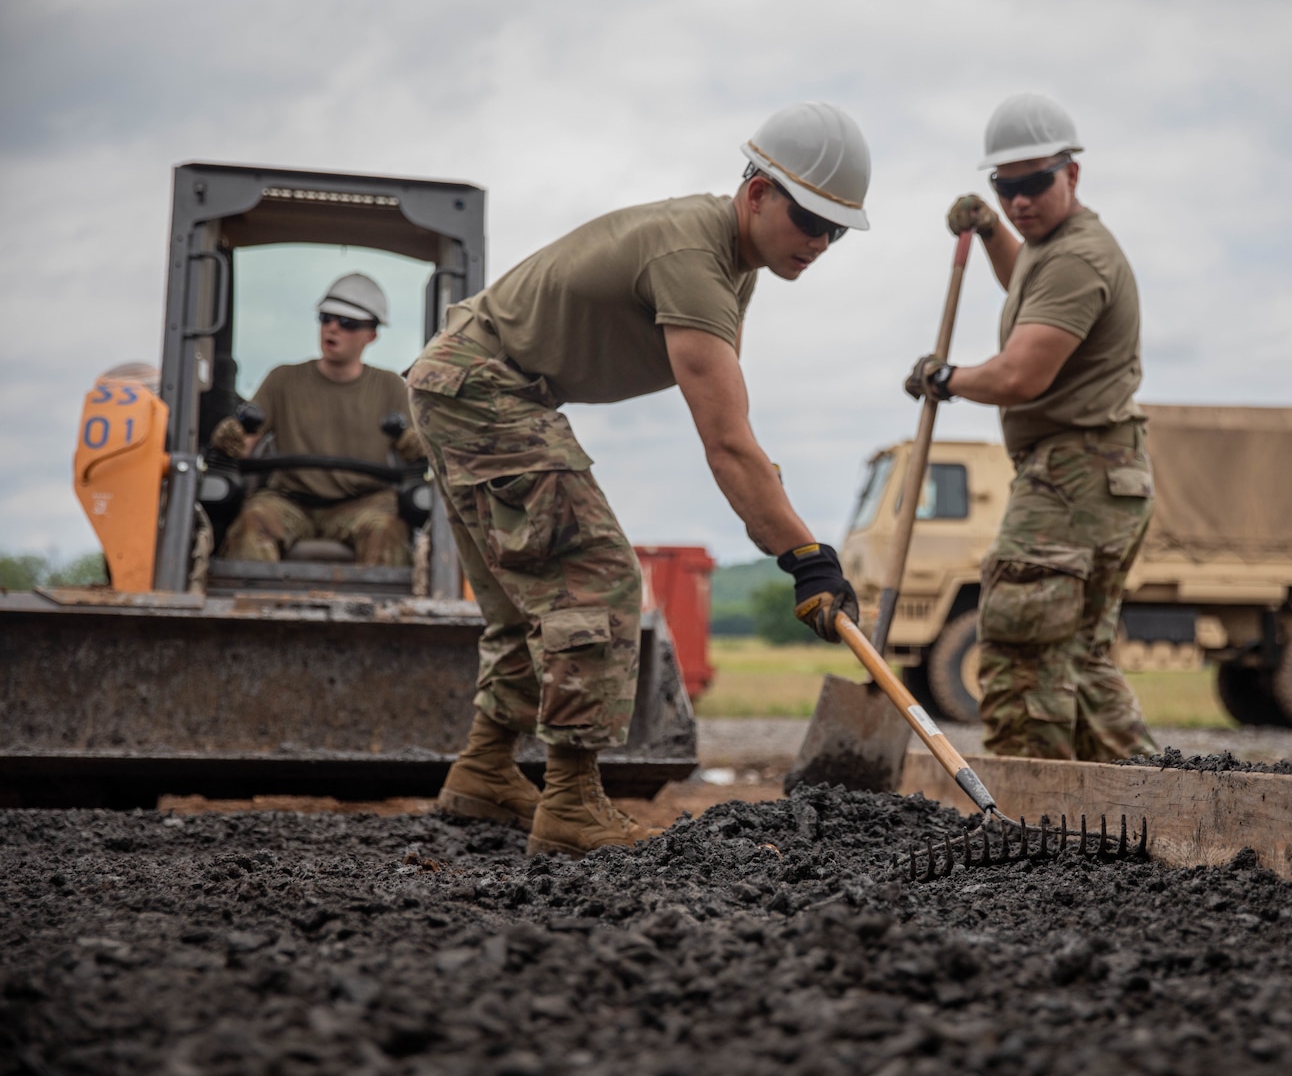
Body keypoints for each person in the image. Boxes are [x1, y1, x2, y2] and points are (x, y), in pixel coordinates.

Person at [411, 102, 869, 856]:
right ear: (757, 194)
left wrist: (789, 532)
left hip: (463, 382)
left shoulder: (730, 268)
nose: (821, 242)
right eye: (810, 219)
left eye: (837, 230)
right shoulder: (691, 257)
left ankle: (486, 770)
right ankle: (570, 806)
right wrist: (805, 556)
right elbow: (726, 443)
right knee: (598, 582)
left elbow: (734, 428)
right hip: (484, 385)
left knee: (530, 600)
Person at [906, 93, 1158, 763]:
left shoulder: (1078, 259)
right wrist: (991, 231)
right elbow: (1027, 286)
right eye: (1004, 187)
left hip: (1074, 478)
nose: (1020, 200)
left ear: (1072, 174)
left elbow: (1020, 377)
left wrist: (944, 379)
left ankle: (1030, 821)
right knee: (1075, 658)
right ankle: (1154, 809)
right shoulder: (1055, 251)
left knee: (1023, 654)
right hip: (1092, 474)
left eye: (1034, 183)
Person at [214, 273, 417, 566]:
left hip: (364, 504)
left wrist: (413, 444)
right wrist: (229, 439)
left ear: (371, 335)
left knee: (387, 530)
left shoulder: (389, 387)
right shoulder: (282, 380)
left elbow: (414, 452)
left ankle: (381, 611)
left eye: (347, 323)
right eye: (326, 318)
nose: (333, 328)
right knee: (253, 521)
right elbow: (245, 444)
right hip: (289, 502)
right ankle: (254, 608)